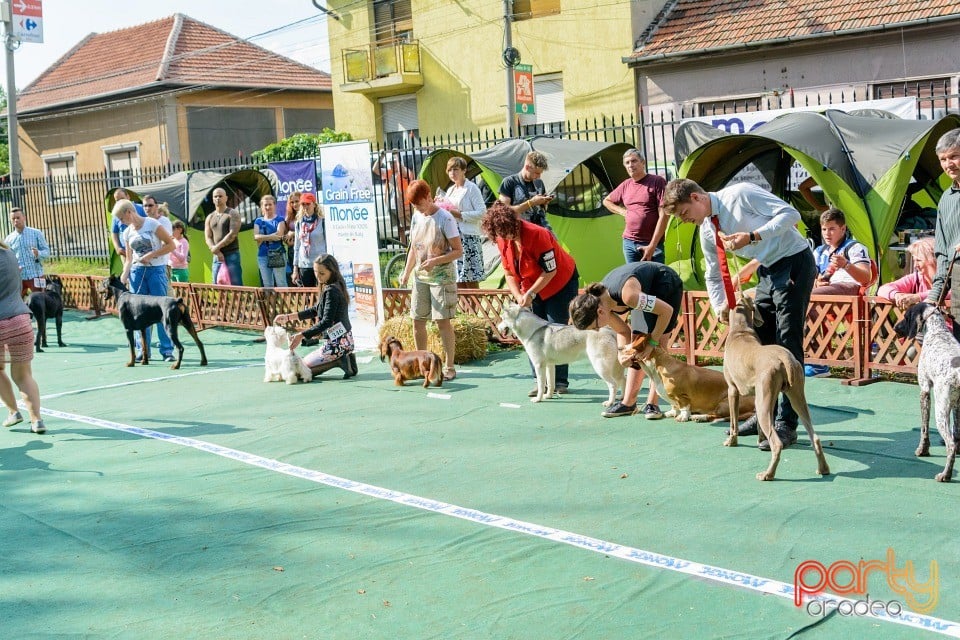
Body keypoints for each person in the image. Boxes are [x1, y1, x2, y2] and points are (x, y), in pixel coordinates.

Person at [661, 178, 816, 450]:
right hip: (767, 270)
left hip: (794, 262)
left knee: (787, 342)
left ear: (697, 198)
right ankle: (762, 414)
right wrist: (721, 305)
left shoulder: (741, 194)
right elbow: (712, 272)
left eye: (684, 213)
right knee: (761, 344)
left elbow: (792, 215)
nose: (685, 221)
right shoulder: (707, 229)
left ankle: (787, 425)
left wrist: (754, 236)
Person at [481, 200, 579, 395]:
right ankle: (539, 381)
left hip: (560, 282)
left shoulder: (538, 234)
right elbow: (509, 273)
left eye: (506, 232)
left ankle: (560, 382)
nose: (504, 237)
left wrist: (531, 293)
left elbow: (550, 270)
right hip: (530, 287)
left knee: (555, 328)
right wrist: (519, 295)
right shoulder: (502, 239)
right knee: (530, 332)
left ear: (514, 223)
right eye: (499, 235)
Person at [568, 263, 683, 419]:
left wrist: (652, 343)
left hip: (665, 284)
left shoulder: (629, 296)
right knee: (637, 344)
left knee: (658, 347)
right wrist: (622, 353)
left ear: (600, 312)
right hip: (643, 289)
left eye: (595, 327)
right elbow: (623, 331)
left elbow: (666, 311)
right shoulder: (600, 303)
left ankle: (653, 404)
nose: (597, 331)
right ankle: (628, 403)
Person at [399, 179, 463, 382]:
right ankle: (422, 363)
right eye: (414, 205)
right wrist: (407, 272)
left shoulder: (445, 219)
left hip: (441, 278)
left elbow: (458, 251)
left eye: (420, 203)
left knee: (442, 321)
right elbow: (414, 248)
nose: (417, 208)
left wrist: (435, 261)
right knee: (417, 320)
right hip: (421, 277)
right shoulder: (417, 217)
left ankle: (449, 365)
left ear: (428, 196)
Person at [805, 207, 873, 377]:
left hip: (849, 288)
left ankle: (819, 362)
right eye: (824, 229)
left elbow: (865, 277)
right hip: (825, 290)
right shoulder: (819, 251)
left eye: (832, 229)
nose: (827, 233)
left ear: (843, 229)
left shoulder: (855, 247)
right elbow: (811, 276)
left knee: (808, 297)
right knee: (798, 295)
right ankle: (811, 355)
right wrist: (816, 281)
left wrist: (846, 265)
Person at [113, 198, 176, 362]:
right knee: (139, 314)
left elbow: (171, 245)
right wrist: (124, 276)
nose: (121, 222)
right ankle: (143, 350)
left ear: (129, 212)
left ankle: (167, 350)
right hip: (137, 273)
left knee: (162, 311)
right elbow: (128, 258)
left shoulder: (152, 224)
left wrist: (151, 255)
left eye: (122, 218)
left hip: (156, 271)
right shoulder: (127, 232)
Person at [275, 254, 357, 379]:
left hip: (336, 345)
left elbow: (326, 322)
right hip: (347, 341)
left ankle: (338, 361)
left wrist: (301, 335)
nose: (318, 277)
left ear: (332, 271)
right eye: (315, 272)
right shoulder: (337, 284)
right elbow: (316, 310)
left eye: (322, 273)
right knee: (302, 366)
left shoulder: (331, 290)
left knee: (299, 372)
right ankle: (347, 357)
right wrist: (288, 317)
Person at [0, 238, 45, 434]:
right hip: (20, 319)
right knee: (24, 375)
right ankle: (37, 421)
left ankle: (13, 412)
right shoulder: (9, 253)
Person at [603, 149, 669, 263]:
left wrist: (652, 246)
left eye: (634, 161)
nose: (631, 165)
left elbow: (664, 216)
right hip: (629, 243)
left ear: (643, 163)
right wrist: (622, 212)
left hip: (652, 244)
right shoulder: (626, 185)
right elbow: (607, 201)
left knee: (656, 279)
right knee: (633, 278)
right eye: (627, 163)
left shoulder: (657, 181)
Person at [925, 128, 960, 341]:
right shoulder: (945, 199)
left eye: (954, 156)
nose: (949, 164)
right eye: (943, 159)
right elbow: (943, 256)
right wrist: (933, 298)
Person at [441, 156, 486, 288]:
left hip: (469, 237)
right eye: (449, 170)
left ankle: (474, 308)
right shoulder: (450, 190)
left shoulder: (471, 188)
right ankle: (464, 308)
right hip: (453, 237)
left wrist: (460, 215)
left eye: (456, 169)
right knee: (458, 277)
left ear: (464, 170)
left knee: (471, 277)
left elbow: (482, 212)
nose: (452, 173)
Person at [878, 237, 943, 310]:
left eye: (918, 260)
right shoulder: (916, 278)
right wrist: (897, 295)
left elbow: (950, 293)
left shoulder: (950, 277)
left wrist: (918, 297)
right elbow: (882, 289)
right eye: (914, 260)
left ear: (933, 260)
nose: (915, 265)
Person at [498, 151, 554, 230]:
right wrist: (531, 202)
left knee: (554, 241)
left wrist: (544, 202)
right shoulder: (509, 182)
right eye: (536, 173)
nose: (539, 177)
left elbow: (542, 210)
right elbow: (503, 212)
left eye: (540, 173)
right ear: (527, 167)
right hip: (519, 230)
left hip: (541, 228)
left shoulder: (539, 183)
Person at [4, 207, 50, 298]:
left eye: (18, 217)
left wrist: (38, 254)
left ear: (24, 218)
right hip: (19, 277)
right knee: (17, 304)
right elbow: (8, 259)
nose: (16, 220)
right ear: (10, 220)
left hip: (36, 275)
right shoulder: (9, 239)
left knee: (40, 303)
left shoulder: (36, 233)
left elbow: (47, 252)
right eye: (13, 218)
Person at [373, 149, 415, 244]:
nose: (392, 165)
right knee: (400, 230)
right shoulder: (389, 173)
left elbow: (403, 171)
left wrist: (397, 156)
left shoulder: (405, 171)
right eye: (391, 163)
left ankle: (412, 248)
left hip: (405, 207)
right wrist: (381, 157)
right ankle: (404, 250)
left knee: (408, 228)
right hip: (393, 207)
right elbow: (375, 169)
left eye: (394, 163)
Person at [204, 187, 243, 286]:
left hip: (232, 254)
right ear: (212, 199)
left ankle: (241, 302)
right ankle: (221, 302)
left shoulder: (233, 213)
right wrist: (216, 251)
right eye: (215, 196)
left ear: (226, 198)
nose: (218, 198)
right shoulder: (210, 217)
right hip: (216, 256)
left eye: (220, 196)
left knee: (236, 285)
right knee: (216, 284)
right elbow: (208, 236)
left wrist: (216, 248)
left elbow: (232, 234)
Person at [291, 193, 327, 288]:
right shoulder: (299, 223)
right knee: (308, 297)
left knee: (322, 293)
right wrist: (295, 269)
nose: (305, 206)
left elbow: (328, 244)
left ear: (314, 204)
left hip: (320, 264)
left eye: (308, 203)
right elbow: (297, 247)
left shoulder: (322, 221)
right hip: (304, 265)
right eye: (303, 204)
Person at [253, 194, 288, 287]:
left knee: (281, 283)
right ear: (262, 207)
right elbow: (255, 237)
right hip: (262, 255)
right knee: (267, 284)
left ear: (274, 205)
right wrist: (270, 236)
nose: (268, 207)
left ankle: (283, 302)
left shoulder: (280, 219)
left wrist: (263, 237)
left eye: (270, 204)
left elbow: (279, 235)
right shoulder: (258, 221)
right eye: (265, 205)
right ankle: (271, 302)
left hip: (278, 253)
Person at [110, 188, 146, 259]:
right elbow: (114, 232)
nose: (120, 202)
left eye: (122, 198)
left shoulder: (142, 209)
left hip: (142, 250)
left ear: (128, 197)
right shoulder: (116, 214)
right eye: (117, 200)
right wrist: (117, 248)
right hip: (125, 252)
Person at [283, 191, 301, 286]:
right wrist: (287, 241)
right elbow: (285, 236)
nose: (294, 204)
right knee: (295, 278)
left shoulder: (306, 214)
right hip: (292, 251)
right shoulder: (289, 217)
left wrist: (293, 233)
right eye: (292, 202)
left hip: (304, 250)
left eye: (297, 201)